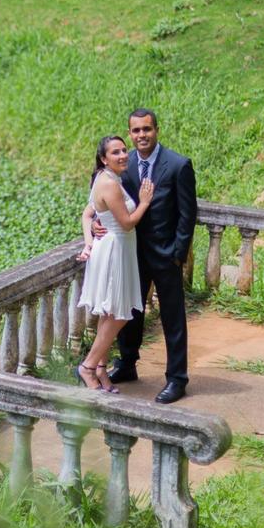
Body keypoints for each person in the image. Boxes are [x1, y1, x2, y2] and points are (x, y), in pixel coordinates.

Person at [93, 109, 197, 404]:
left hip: (166, 256)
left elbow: (187, 215)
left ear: (157, 130)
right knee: (129, 312)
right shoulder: (124, 165)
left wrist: (178, 253)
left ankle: (177, 379)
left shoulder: (178, 165)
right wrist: (94, 223)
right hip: (131, 253)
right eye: (136, 131)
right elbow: (102, 200)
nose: (141, 136)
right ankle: (127, 364)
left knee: (172, 317)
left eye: (146, 130)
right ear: (130, 133)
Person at [76, 135, 154, 393]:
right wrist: (143, 203)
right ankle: (88, 366)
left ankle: (99, 367)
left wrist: (88, 242)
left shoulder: (107, 179)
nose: (123, 155)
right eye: (115, 152)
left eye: (124, 150)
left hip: (117, 248)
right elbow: (127, 222)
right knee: (118, 314)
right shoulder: (108, 184)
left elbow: (88, 214)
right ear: (103, 159)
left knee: (111, 314)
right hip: (114, 251)